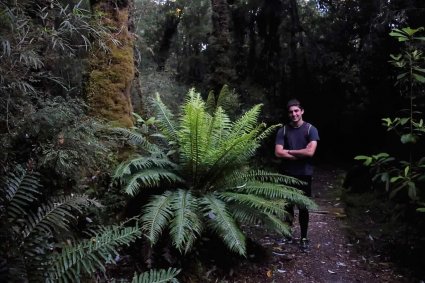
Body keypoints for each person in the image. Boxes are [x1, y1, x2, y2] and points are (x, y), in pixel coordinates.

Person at [274, 98, 319, 252]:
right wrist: (301, 153)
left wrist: (290, 152)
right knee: (287, 206)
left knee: (303, 207)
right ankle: (287, 234)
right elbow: (278, 152)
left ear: (302, 111)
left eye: (296, 111)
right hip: (287, 174)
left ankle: (304, 237)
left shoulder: (310, 129)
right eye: (291, 112)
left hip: (304, 174)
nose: (294, 114)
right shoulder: (283, 130)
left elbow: (311, 151)